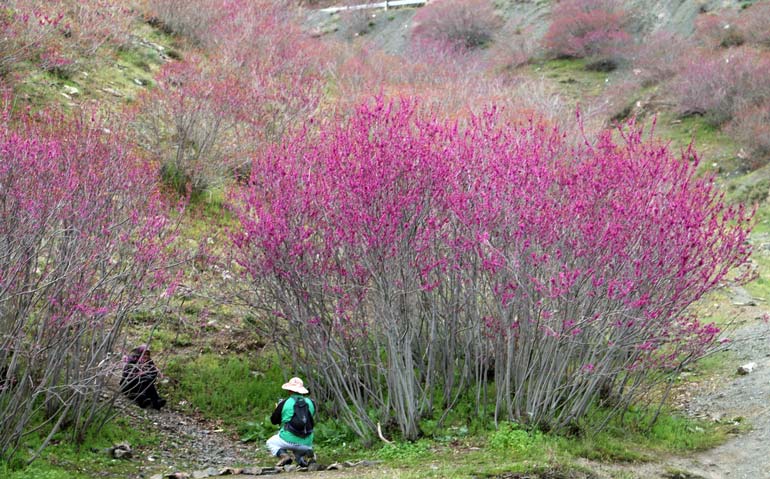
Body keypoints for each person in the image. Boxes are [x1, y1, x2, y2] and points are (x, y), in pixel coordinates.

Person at [266, 376, 316, 467]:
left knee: (270, 442)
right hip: (307, 441)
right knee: (299, 452)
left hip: (288, 439)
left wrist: (277, 409)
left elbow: (274, 421)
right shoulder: (311, 402)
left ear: (289, 390)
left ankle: (284, 456)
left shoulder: (284, 403)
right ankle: (305, 454)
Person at [120, 344, 166, 410]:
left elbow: (154, 374)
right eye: (144, 354)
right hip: (129, 386)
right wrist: (138, 373)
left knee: (148, 381)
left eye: (147, 354)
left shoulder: (149, 363)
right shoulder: (133, 360)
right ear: (140, 353)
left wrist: (146, 374)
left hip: (144, 386)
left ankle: (156, 401)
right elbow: (126, 375)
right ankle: (143, 400)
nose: (146, 356)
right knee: (143, 380)